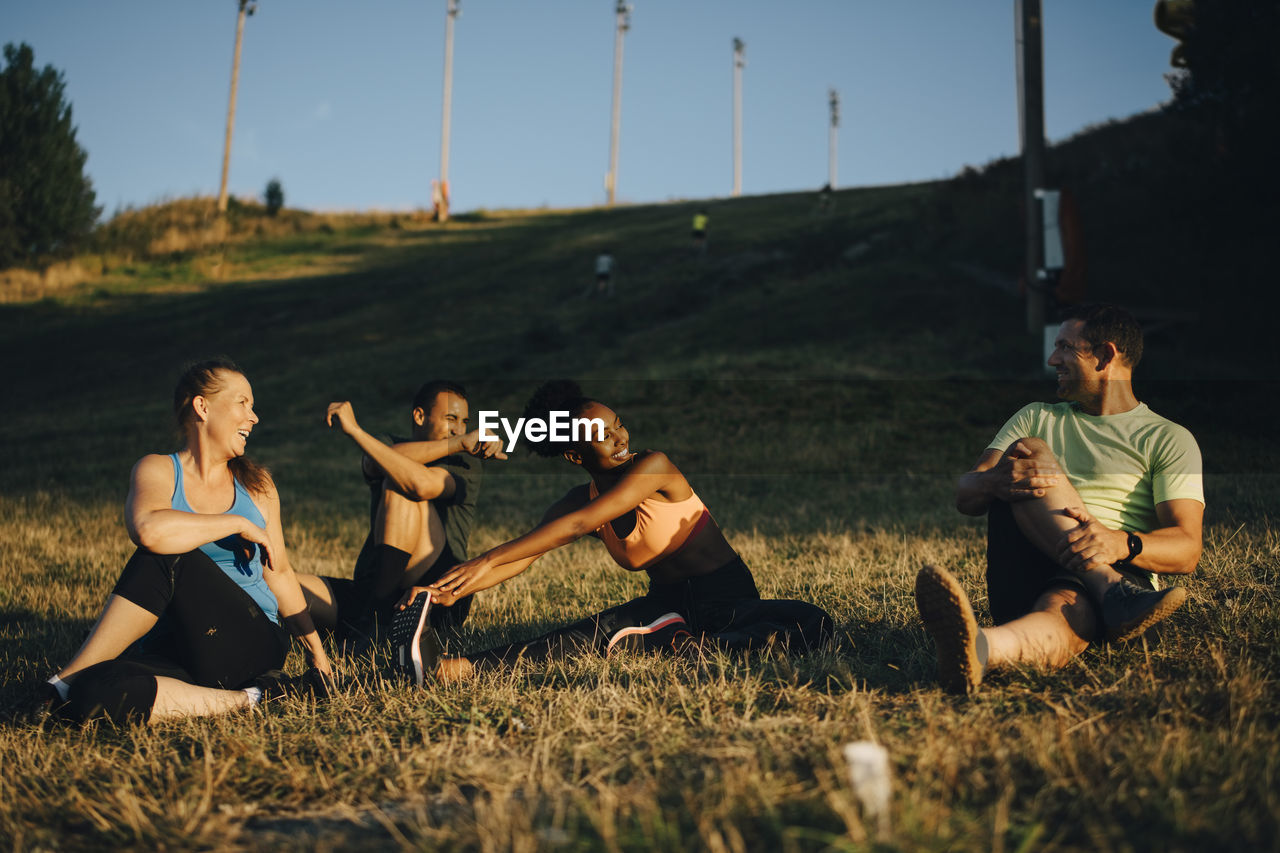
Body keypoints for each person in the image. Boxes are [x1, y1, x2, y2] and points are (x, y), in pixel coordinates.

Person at [395, 380, 835, 682]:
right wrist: (440, 591)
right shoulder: (577, 499)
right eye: (602, 434)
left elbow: (580, 525)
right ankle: (452, 670)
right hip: (669, 608)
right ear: (574, 454)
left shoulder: (654, 466)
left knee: (815, 622)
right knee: (587, 633)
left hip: (729, 600)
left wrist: (486, 557)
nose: (620, 437)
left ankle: (705, 647)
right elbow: (523, 557)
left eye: (618, 423)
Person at [915, 304, 1204, 694]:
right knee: (1029, 449)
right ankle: (1109, 590)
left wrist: (1121, 541)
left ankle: (981, 648)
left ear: (1105, 355)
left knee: (1065, 604)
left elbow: (1187, 548)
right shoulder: (1036, 417)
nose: (1053, 359)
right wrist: (996, 481)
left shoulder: (1167, 438)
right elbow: (966, 494)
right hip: (1028, 562)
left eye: (1066, 347)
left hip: (1120, 568)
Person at [44, 359, 332, 724]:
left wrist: (317, 654)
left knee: (167, 556)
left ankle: (64, 680)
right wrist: (236, 523)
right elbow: (148, 529)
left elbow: (282, 574)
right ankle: (255, 698)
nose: (254, 416)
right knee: (96, 694)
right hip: (180, 646)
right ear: (202, 406)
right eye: (243, 403)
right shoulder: (157, 470)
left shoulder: (257, 486)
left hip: (250, 640)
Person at [297, 381, 503, 644]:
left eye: (464, 422)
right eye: (451, 418)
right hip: (373, 589)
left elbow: (419, 484)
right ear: (419, 416)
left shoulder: (466, 460)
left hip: (435, 595)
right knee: (282, 586)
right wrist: (460, 442)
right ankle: (371, 624)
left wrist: (356, 432)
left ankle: (373, 629)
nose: (459, 429)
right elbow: (374, 462)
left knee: (400, 484)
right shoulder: (388, 446)